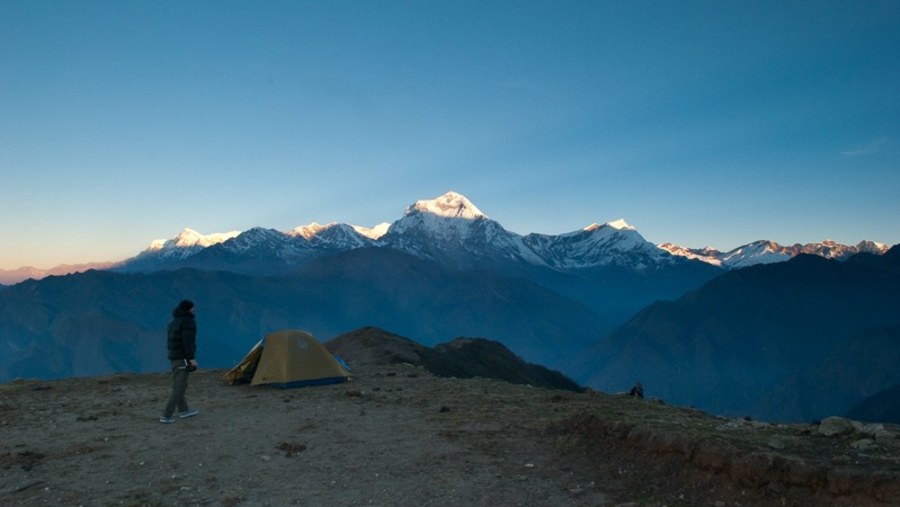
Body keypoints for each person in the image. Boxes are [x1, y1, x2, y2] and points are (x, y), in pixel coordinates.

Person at [160, 299, 200, 423]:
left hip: (173, 357)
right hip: (182, 358)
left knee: (179, 384)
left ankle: (184, 411)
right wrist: (191, 359)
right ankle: (166, 415)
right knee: (179, 386)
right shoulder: (188, 322)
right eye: (193, 309)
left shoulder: (174, 322)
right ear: (188, 310)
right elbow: (187, 342)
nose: (194, 311)